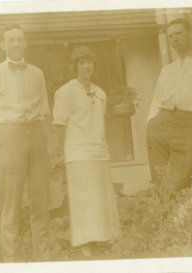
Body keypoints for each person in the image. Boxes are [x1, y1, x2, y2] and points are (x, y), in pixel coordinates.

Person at [0, 23, 50, 262]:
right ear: (3, 45)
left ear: (25, 42)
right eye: (11, 40)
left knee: (40, 200)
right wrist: (3, 144)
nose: (16, 44)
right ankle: (11, 261)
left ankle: (44, 257)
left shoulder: (37, 73)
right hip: (8, 136)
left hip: (36, 134)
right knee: (11, 203)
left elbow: (44, 111)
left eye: (20, 39)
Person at [53, 46, 120, 257]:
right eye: (81, 62)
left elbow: (99, 123)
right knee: (83, 198)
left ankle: (102, 238)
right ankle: (85, 242)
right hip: (77, 153)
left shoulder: (100, 93)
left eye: (89, 62)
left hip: (99, 151)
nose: (86, 66)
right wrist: (63, 152)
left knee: (100, 197)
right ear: (75, 67)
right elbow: (59, 124)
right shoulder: (65, 92)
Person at [147, 18, 192, 192]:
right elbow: (156, 102)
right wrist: (151, 123)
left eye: (178, 33)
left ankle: (179, 217)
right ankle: (167, 218)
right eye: (170, 36)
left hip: (189, 127)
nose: (174, 39)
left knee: (179, 181)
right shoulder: (167, 70)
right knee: (161, 182)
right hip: (161, 126)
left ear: (189, 33)